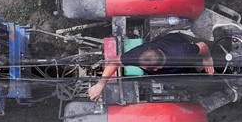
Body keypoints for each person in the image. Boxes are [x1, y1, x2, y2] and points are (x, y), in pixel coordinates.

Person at [87, 32, 215, 101]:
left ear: (157, 68)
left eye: (151, 69)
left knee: (205, 60)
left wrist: (207, 58)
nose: (142, 68)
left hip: (181, 45)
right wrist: (100, 84)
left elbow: (203, 46)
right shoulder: (136, 56)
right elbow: (114, 61)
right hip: (172, 69)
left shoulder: (182, 52)